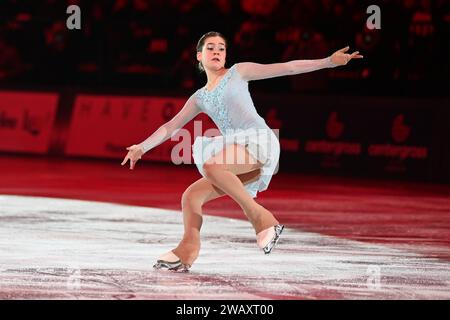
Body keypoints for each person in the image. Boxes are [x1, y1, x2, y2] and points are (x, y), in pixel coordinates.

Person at [121, 31, 363, 272]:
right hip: (236, 153)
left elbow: (287, 68)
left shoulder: (239, 72)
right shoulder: (200, 97)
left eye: (221, 48)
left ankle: (260, 218)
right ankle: (187, 250)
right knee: (191, 196)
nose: (217, 51)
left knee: (213, 166)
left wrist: (329, 61)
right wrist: (142, 147)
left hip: (259, 142)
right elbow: (170, 127)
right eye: (210, 48)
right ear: (199, 56)